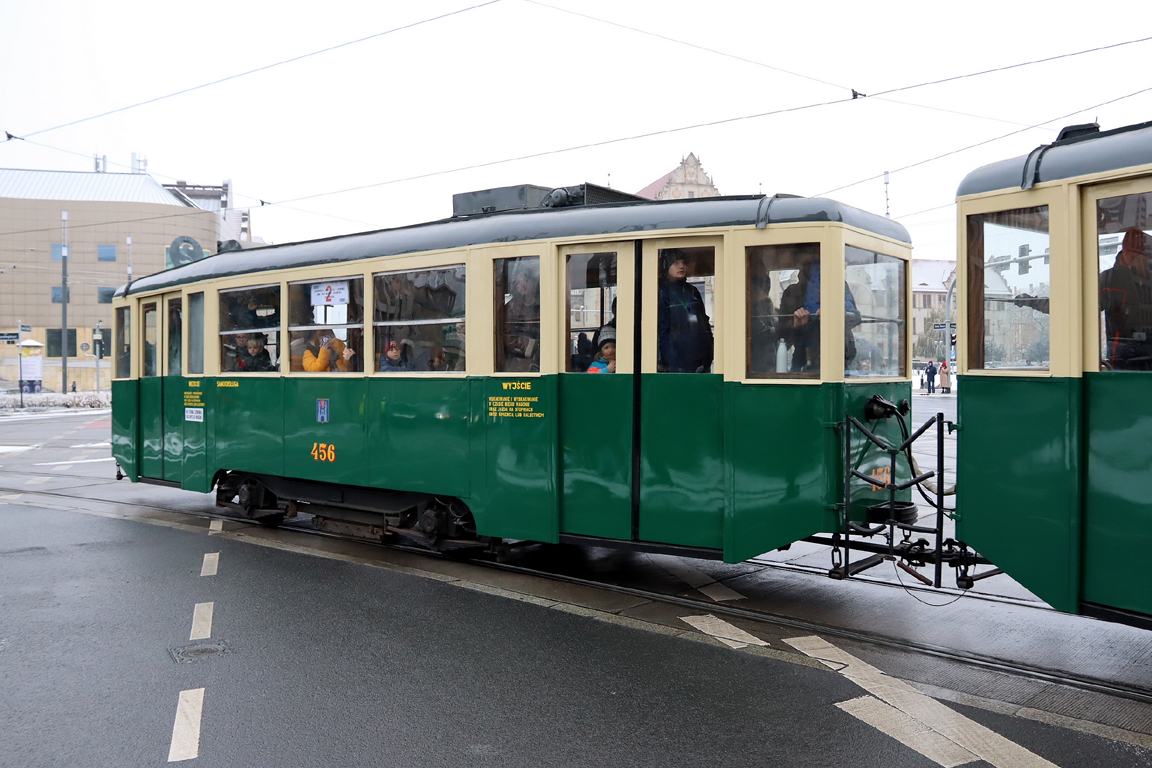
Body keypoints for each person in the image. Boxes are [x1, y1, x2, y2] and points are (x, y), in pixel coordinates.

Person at [778, 254, 861, 373]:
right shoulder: (792, 292)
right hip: (804, 357)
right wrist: (796, 325)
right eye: (809, 266)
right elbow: (782, 336)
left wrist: (835, 315)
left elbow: (856, 317)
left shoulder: (838, 286)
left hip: (839, 356)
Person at [1100, 228, 1152, 369]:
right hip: (1123, 357)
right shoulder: (1109, 280)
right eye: (1136, 253)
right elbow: (1077, 304)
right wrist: (1035, 302)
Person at [657, 249, 713, 372]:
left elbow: (704, 325)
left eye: (683, 262)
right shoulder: (661, 293)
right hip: (674, 365)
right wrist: (675, 365)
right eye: (676, 262)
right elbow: (663, 332)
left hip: (699, 362)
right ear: (666, 266)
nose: (681, 266)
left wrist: (708, 357)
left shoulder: (693, 291)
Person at [499, 265, 540, 372]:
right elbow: (507, 334)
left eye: (526, 281)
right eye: (518, 283)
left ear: (533, 283)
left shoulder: (543, 303)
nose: (522, 286)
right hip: (518, 360)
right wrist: (529, 345)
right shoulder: (510, 307)